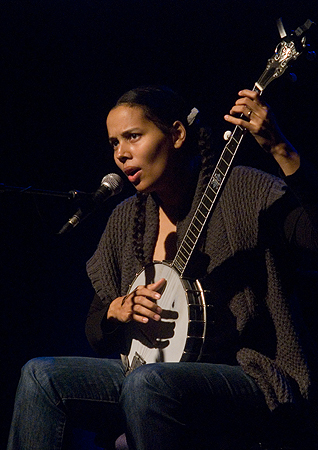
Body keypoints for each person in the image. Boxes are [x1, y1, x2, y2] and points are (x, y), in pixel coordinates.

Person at [7, 85, 318, 450]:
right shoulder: (126, 219)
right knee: (41, 375)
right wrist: (115, 310)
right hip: (147, 372)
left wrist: (281, 150)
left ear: (176, 134)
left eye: (133, 137)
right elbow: (95, 328)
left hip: (246, 374)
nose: (122, 154)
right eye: (113, 144)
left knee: (148, 384)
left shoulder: (243, 188)